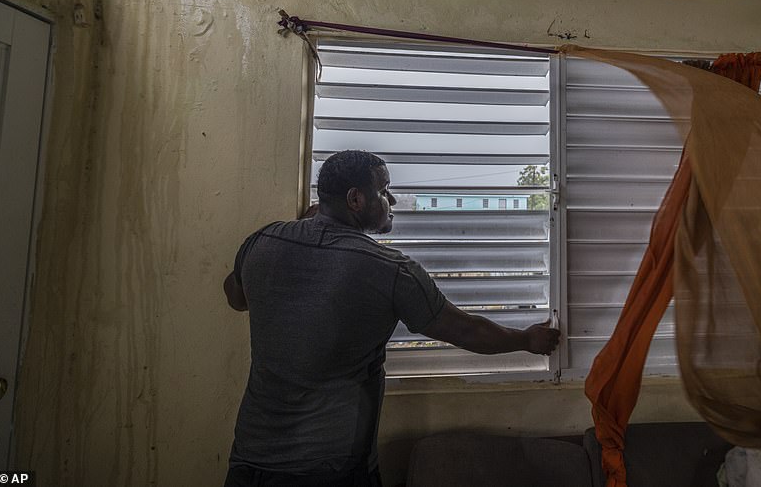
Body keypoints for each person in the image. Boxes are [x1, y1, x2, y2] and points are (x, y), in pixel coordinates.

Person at [222, 150, 560, 486]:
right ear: (355, 199)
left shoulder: (262, 242)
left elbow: (236, 298)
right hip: (331, 468)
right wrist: (527, 340)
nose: (393, 199)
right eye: (384, 190)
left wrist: (304, 238)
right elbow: (465, 331)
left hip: (249, 461)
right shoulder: (390, 270)